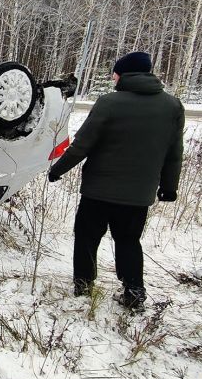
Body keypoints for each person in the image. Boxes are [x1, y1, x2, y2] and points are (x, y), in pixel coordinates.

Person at [48, 51, 184, 310]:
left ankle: (83, 285)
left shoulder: (109, 103)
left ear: (124, 74)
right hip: (138, 195)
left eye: (115, 72)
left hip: (98, 191)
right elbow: (174, 152)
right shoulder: (173, 106)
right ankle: (134, 290)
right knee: (128, 240)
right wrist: (169, 187)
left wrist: (58, 169)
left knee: (87, 237)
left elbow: (82, 145)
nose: (112, 76)